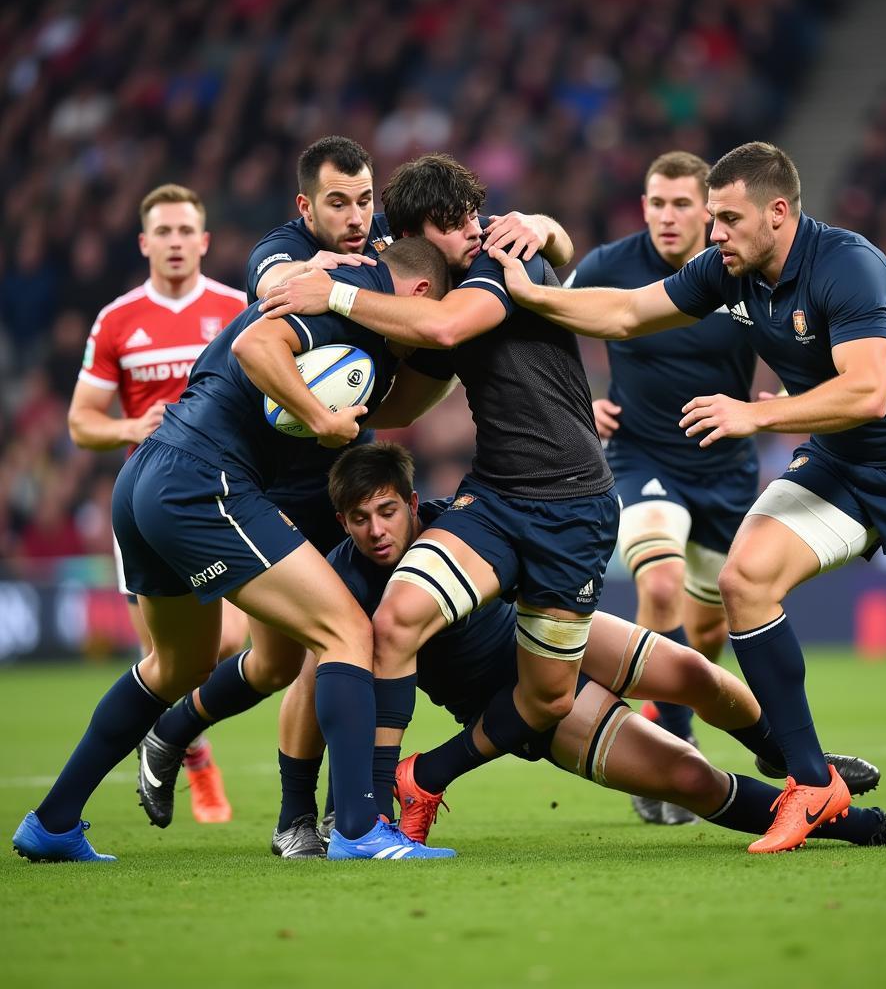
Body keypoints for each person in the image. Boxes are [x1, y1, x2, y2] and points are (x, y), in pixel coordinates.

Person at [488, 140, 886, 853]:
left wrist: (755, 415)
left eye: (727, 219)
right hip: (838, 466)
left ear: (778, 213)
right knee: (745, 581)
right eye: (711, 219)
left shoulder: (849, 266)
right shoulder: (728, 268)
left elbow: (868, 392)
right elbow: (624, 313)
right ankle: (809, 782)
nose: (713, 235)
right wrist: (532, 297)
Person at [274, 440, 886, 858]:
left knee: (693, 671)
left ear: (411, 501)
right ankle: (870, 829)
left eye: (386, 512)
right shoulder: (346, 583)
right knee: (690, 777)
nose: (376, 531)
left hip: (548, 636)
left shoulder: (455, 521)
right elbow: (319, 683)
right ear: (342, 522)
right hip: (514, 704)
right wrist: (304, 810)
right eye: (359, 520)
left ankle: (796, 762)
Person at [11, 237, 459, 863]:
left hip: (146, 476)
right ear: (416, 293)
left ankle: (53, 822)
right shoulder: (341, 301)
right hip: (205, 480)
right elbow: (254, 345)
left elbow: (405, 390)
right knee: (346, 633)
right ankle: (358, 828)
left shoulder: (342, 295)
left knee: (178, 666)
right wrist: (320, 417)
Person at [260, 153, 618, 832]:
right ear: (418, 237)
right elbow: (399, 408)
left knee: (577, 693)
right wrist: (340, 379)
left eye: (474, 215)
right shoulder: (428, 292)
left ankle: (794, 757)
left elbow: (451, 324)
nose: (475, 230)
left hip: (577, 503)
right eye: (455, 224)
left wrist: (335, 300)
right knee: (373, 624)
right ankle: (363, 816)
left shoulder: (493, 266)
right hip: (499, 499)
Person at [567, 151, 759, 825]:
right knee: (658, 586)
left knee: (704, 631)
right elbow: (543, 327)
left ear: (709, 211)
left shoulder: (741, 269)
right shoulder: (606, 267)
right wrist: (579, 402)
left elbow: (810, 333)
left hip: (728, 471)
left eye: (683, 204)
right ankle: (676, 751)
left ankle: (662, 710)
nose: (669, 216)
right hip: (642, 458)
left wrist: (794, 393)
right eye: (657, 203)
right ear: (642, 206)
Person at [67, 183, 249, 825]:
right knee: (169, 662)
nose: (175, 242)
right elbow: (81, 422)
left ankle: (172, 737)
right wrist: (129, 428)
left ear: (203, 241)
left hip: (223, 498)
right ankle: (192, 757)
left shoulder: (236, 306)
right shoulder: (117, 320)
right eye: (163, 233)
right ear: (145, 243)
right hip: (148, 506)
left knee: (232, 637)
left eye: (185, 232)